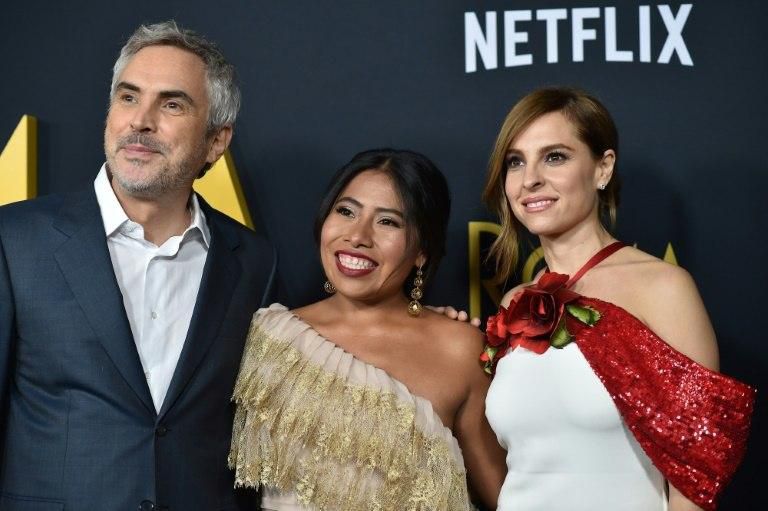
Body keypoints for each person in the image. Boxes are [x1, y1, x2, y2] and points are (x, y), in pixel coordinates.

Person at [0, 21, 276, 510]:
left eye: (171, 104)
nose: (140, 121)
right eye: (128, 98)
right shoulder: (15, 240)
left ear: (216, 140)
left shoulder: (254, 263)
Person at [479, 87, 755, 511]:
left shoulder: (662, 287)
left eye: (554, 156)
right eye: (516, 161)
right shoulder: (515, 303)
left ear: (602, 168)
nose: (530, 178)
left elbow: (694, 475)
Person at [228, 149, 506, 510]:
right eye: (346, 211)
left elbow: (506, 497)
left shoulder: (460, 348)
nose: (357, 236)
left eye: (388, 222)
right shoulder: (270, 338)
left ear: (422, 250)